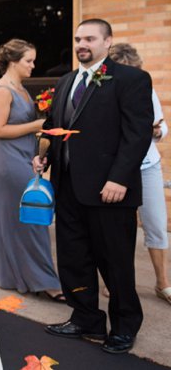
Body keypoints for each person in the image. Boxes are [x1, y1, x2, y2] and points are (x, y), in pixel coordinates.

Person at [34, 19, 153, 355]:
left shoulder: (131, 79)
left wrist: (120, 179)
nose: (81, 44)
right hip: (68, 186)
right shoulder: (67, 81)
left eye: (89, 38)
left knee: (115, 262)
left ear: (108, 41)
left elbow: (137, 134)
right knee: (74, 258)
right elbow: (54, 126)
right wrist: (43, 157)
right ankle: (86, 317)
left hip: (109, 189)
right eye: (77, 39)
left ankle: (125, 325)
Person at [0, 40, 62, 300]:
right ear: (13, 62)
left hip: (24, 155)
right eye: (29, 61)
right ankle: (44, 279)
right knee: (31, 216)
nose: (33, 66)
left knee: (21, 218)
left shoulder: (21, 89)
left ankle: (16, 273)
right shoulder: (1, 91)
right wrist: (38, 124)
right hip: (6, 159)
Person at [109, 43, 169, 305]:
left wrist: (157, 132)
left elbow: (162, 126)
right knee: (119, 228)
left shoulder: (147, 89)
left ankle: (162, 282)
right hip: (116, 167)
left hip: (147, 165)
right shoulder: (105, 93)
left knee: (156, 223)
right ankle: (117, 282)